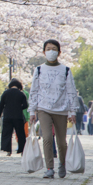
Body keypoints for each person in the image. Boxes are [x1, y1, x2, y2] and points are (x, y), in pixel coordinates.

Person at [28, 39, 77, 179]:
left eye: (54, 49)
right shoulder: (39, 69)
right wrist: (32, 111)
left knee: (61, 142)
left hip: (61, 109)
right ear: (44, 52)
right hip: (44, 108)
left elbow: (71, 91)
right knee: (47, 138)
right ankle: (49, 168)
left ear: (59, 52)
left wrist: (72, 111)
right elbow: (34, 91)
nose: (51, 51)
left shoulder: (66, 70)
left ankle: (62, 163)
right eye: (48, 49)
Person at [0, 78, 28, 156]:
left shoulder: (5, 93)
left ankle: (8, 150)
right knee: (20, 134)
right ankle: (22, 150)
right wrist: (19, 107)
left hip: (7, 116)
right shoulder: (21, 94)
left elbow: (1, 106)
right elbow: (26, 105)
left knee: (7, 133)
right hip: (18, 117)